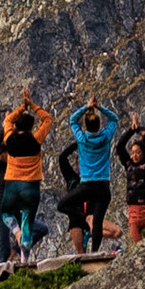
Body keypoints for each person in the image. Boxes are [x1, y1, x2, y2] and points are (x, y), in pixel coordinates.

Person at [0, 93, 52, 264]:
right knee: (28, 221)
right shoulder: (36, 140)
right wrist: (33, 105)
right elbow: (48, 119)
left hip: (12, 184)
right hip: (31, 186)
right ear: (30, 127)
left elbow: (7, 121)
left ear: (17, 125)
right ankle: (24, 260)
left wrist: (22, 107)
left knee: (5, 212)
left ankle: (15, 231)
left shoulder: (9, 139)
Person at [60, 95, 116, 254]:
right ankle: (94, 252)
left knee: (62, 205)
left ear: (86, 125)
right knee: (97, 222)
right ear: (99, 125)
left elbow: (72, 120)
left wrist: (87, 107)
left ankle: (82, 218)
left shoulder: (82, 138)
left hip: (87, 184)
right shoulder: (106, 137)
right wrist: (99, 108)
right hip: (103, 185)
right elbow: (114, 119)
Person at [121, 115, 145, 243]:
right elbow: (119, 147)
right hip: (134, 210)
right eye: (132, 152)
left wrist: (139, 129)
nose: (134, 155)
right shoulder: (129, 164)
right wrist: (131, 130)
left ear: (143, 152)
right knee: (137, 242)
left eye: (137, 152)